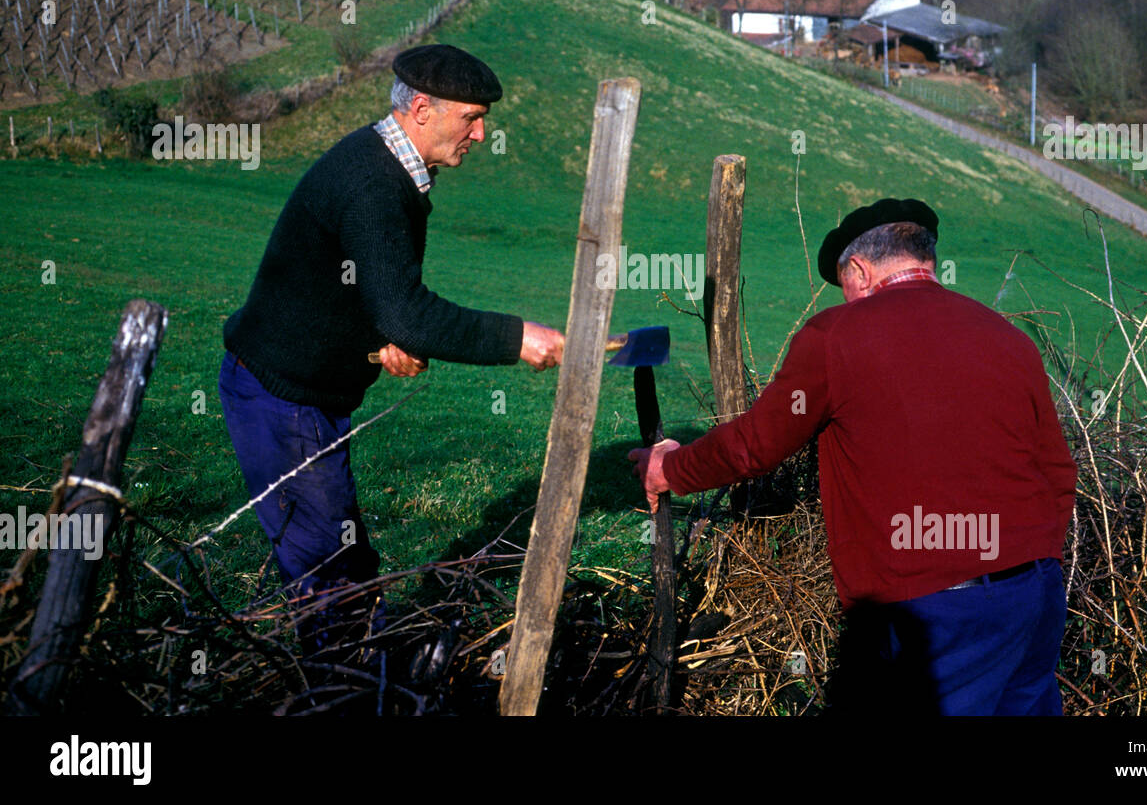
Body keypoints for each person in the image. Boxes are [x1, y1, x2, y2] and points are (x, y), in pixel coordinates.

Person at [629, 198, 1078, 714]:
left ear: (860, 270)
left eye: (842, 284)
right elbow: (1056, 471)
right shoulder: (1009, 339)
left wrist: (670, 468)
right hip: (1036, 594)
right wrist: (1031, 557)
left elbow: (757, 443)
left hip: (932, 607)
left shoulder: (837, 335)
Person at [219, 44, 564, 656]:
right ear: (424, 109)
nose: (482, 135)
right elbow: (408, 310)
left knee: (340, 559)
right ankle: (339, 691)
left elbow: (352, 285)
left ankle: (347, 678)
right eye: (472, 118)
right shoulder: (374, 185)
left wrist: (377, 339)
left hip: (296, 392)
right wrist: (518, 339)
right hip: (282, 401)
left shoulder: (387, 166)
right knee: (333, 576)